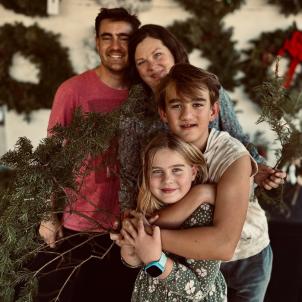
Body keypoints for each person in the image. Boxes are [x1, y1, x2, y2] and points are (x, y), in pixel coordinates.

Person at [114, 24, 286, 302]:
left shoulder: (234, 157)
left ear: (214, 110)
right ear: (163, 113)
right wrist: (201, 195)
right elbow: (147, 209)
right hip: (187, 258)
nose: (187, 114)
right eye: (176, 106)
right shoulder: (162, 152)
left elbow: (223, 245)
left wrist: (147, 240)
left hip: (242, 258)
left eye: (196, 104)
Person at [36, 7, 141, 302]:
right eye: (107, 37)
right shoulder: (72, 91)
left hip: (133, 225)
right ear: (97, 42)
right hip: (80, 223)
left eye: (124, 37)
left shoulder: (145, 92)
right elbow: (51, 157)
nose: (116, 46)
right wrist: (49, 215)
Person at [120, 132, 227, 301]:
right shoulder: (148, 210)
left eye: (176, 170)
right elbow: (133, 262)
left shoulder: (205, 213)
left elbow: (198, 289)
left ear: (193, 172)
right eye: (157, 171)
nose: (167, 179)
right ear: (147, 175)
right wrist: (129, 244)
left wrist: (156, 260)